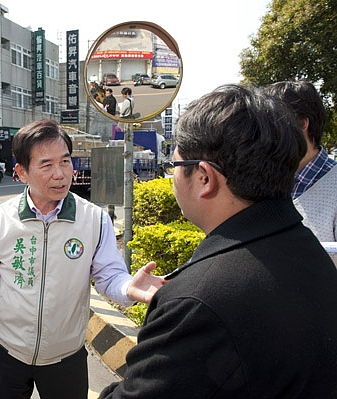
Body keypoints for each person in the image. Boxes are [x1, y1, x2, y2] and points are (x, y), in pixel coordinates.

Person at [100, 84, 337, 398]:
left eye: (174, 167)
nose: (171, 179)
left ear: (204, 178)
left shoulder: (196, 303)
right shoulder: (314, 255)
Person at [0, 118, 166, 399]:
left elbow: (109, 276)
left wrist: (127, 288)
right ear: (21, 172)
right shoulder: (0, 219)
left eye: (65, 162)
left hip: (66, 356)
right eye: (46, 165)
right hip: (7, 352)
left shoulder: (94, 220)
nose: (61, 174)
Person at [262, 80, 337, 243]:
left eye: (271, 125)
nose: (263, 136)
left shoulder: (333, 187)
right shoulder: (261, 185)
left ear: (302, 123)